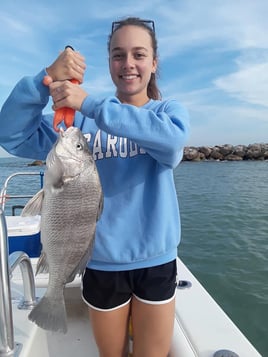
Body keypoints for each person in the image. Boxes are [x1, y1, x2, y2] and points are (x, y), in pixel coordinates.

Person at [0, 17, 190, 357]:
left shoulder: (166, 113)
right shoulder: (76, 126)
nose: (128, 63)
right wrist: (42, 82)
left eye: (139, 54)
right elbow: (11, 135)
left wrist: (89, 103)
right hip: (101, 262)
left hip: (156, 262)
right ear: (109, 62)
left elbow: (173, 141)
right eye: (118, 55)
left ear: (154, 62)